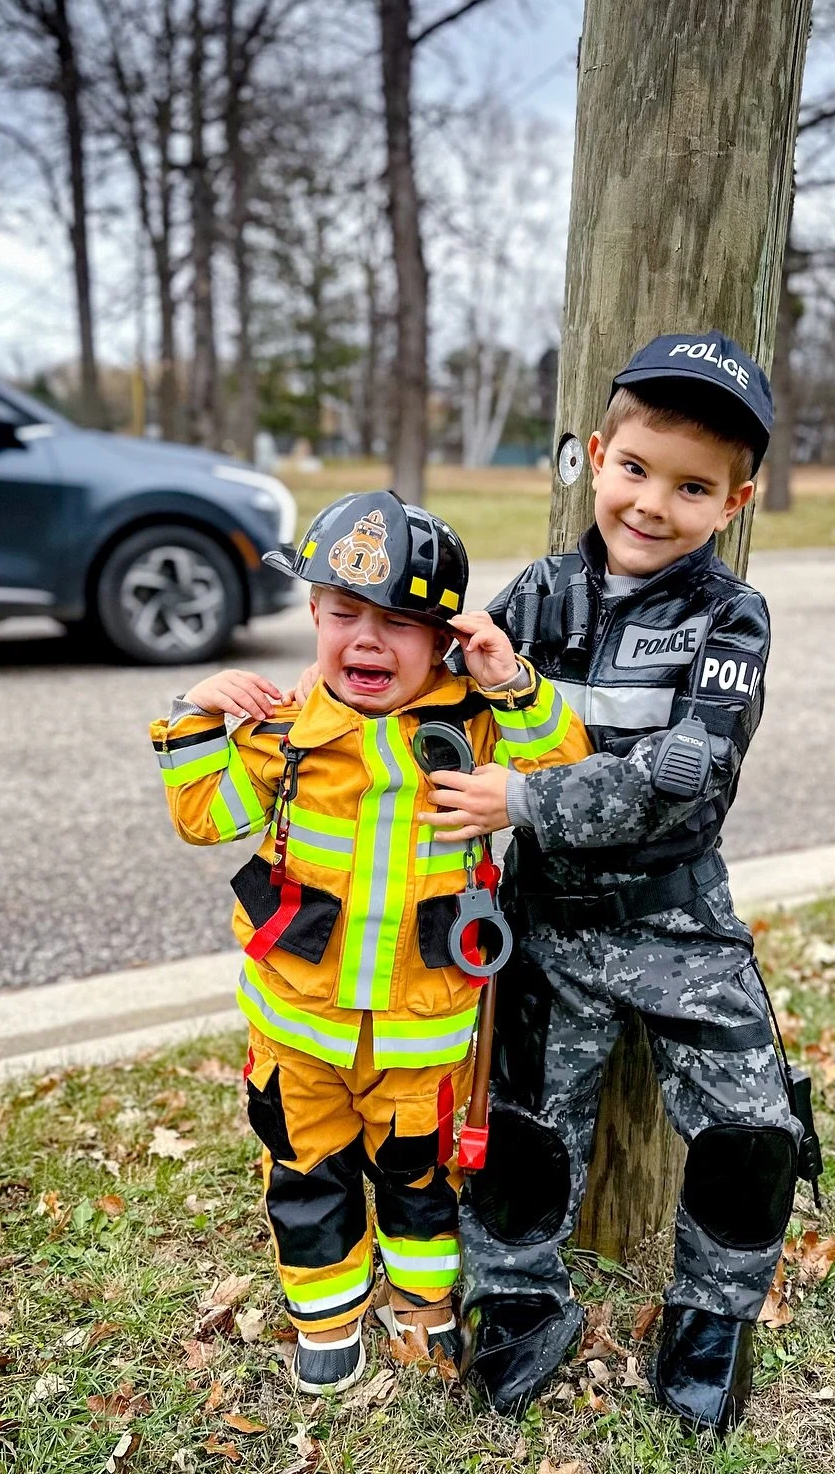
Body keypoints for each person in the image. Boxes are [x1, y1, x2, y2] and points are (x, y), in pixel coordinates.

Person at [421, 332, 821, 1436]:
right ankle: (517, 1298)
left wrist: (526, 800)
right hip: (544, 920)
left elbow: (684, 785)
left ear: (735, 499)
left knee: (752, 1133)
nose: (652, 503)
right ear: (597, 455)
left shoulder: (731, 620)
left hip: (675, 917)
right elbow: (433, 698)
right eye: (636, 469)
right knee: (518, 1132)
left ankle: (712, 1315)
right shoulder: (539, 597)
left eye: (692, 487)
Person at [149, 492, 589, 1396]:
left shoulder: (473, 727)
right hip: (298, 1025)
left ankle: (422, 1308)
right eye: (344, 614)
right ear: (313, 614)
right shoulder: (285, 730)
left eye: (399, 623)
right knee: (306, 1172)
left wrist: (513, 685)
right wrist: (194, 717)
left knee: (418, 1179)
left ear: (444, 641)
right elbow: (208, 814)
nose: (367, 641)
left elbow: (563, 770)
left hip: (424, 1030)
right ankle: (326, 1316)